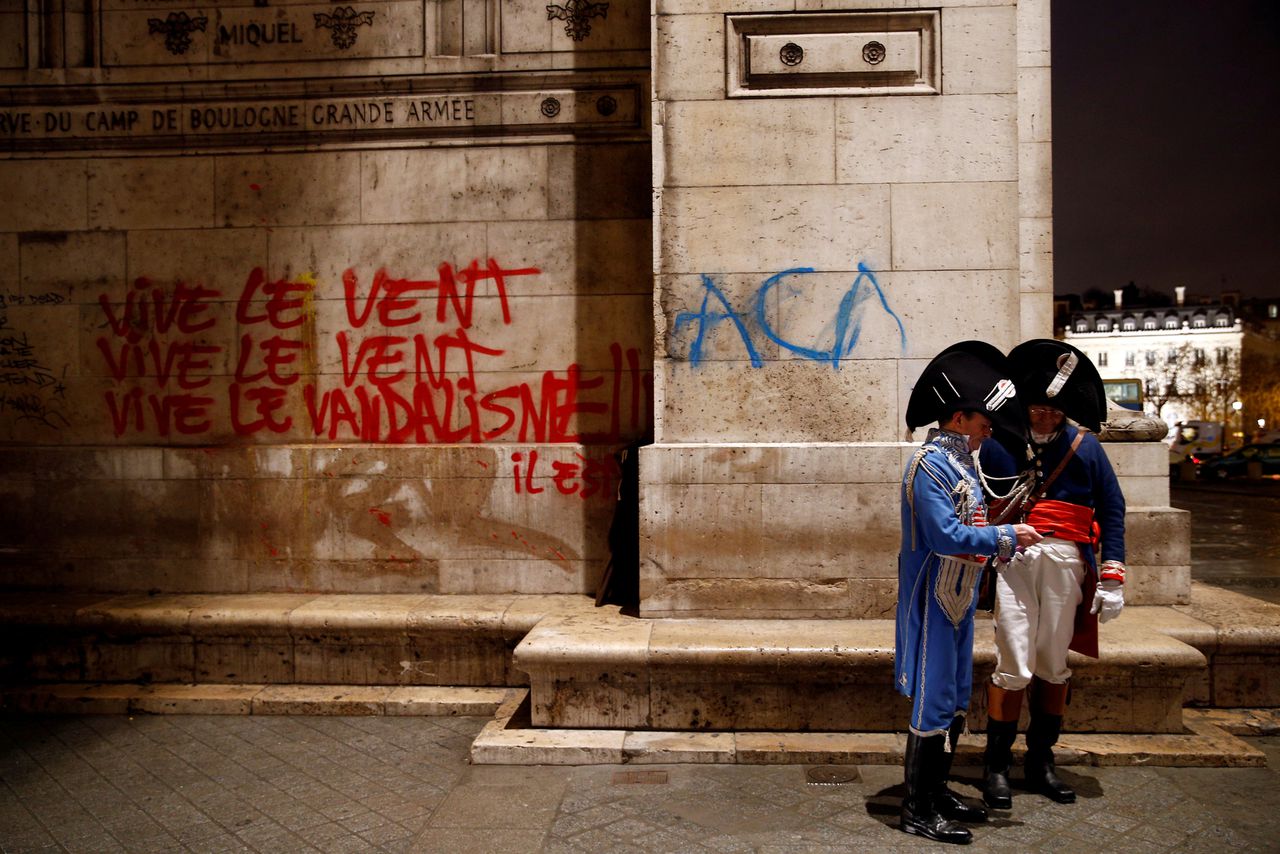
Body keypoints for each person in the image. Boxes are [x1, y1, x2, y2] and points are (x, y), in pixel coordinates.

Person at [897, 341, 1043, 845]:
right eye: (983, 420)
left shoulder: (964, 465)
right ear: (958, 419)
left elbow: (971, 527)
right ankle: (917, 807)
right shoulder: (929, 467)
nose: (989, 428)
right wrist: (1004, 538)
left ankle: (936, 792)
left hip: (957, 595)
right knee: (932, 700)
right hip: (932, 597)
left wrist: (1004, 545)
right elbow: (944, 536)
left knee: (956, 696)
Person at [974, 339, 1127, 811]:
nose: (1044, 418)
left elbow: (1113, 508)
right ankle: (995, 766)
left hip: (1066, 564)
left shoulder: (1087, 447)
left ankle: (1040, 762)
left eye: (1052, 411)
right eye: (1037, 409)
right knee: (1014, 658)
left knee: (1053, 663)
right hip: (1015, 561)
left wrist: (1112, 575)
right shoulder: (1001, 444)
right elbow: (982, 500)